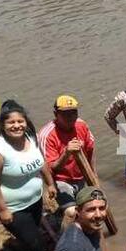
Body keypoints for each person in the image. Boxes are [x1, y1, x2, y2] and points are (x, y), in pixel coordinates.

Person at [0, 100, 57, 251]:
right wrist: (3, 209)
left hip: (36, 201)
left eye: (20, 121)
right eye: (11, 122)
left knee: (34, 234)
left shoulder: (31, 138)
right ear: (2, 124)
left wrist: (50, 184)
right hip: (14, 208)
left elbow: (42, 162)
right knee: (36, 245)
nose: (16, 126)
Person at [38, 95, 96, 227]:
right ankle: (65, 241)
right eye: (65, 114)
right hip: (60, 179)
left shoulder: (81, 125)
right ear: (56, 114)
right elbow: (51, 168)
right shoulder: (47, 134)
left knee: (90, 208)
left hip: (81, 176)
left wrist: (93, 176)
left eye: (73, 112)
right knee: (71, 212)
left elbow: (91, 150)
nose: (70, 117)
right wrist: (66, 153)